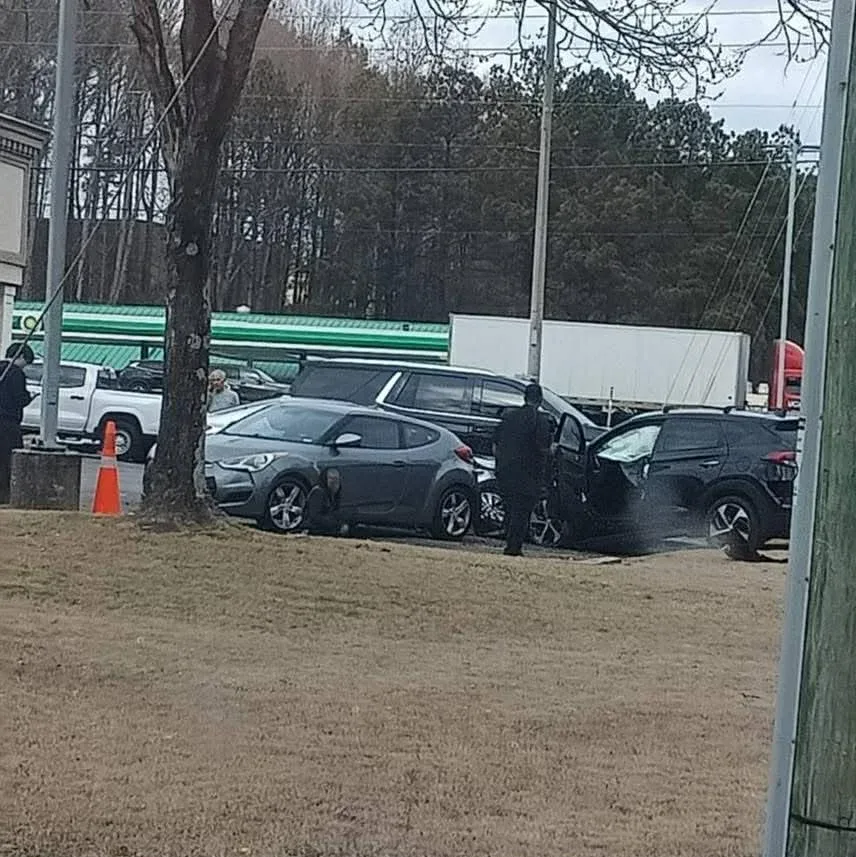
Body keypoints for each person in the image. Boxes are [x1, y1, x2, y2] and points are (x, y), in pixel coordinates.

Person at [493, 382, 554, 556]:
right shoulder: (540, 421)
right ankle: (513, 547)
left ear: (524, 397)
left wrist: (500, 463)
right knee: (521, 511)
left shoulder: (509, 417)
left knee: (509, 507)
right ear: (540, 399)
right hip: (528, 473)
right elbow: (544, 449)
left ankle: (509, 541)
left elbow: (495, 444)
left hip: (505, 470)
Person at [0, 343, 35, 504]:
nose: (24, 367)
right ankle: (4, 495)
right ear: (20, 356)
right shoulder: (15, 373)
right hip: (8, 423)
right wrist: (29, 397)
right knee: (8, 460)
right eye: (25, 362)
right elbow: (20, 399)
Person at [303, 468, 347, 536]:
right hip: (314, 529)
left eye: (336, 479)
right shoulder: (318, 492)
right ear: (325, 479)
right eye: (331, 478)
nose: (334, 482)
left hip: (327, 527)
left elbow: (336, 513)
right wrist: (337, 525)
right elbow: (315, 517)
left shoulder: (335, 494)